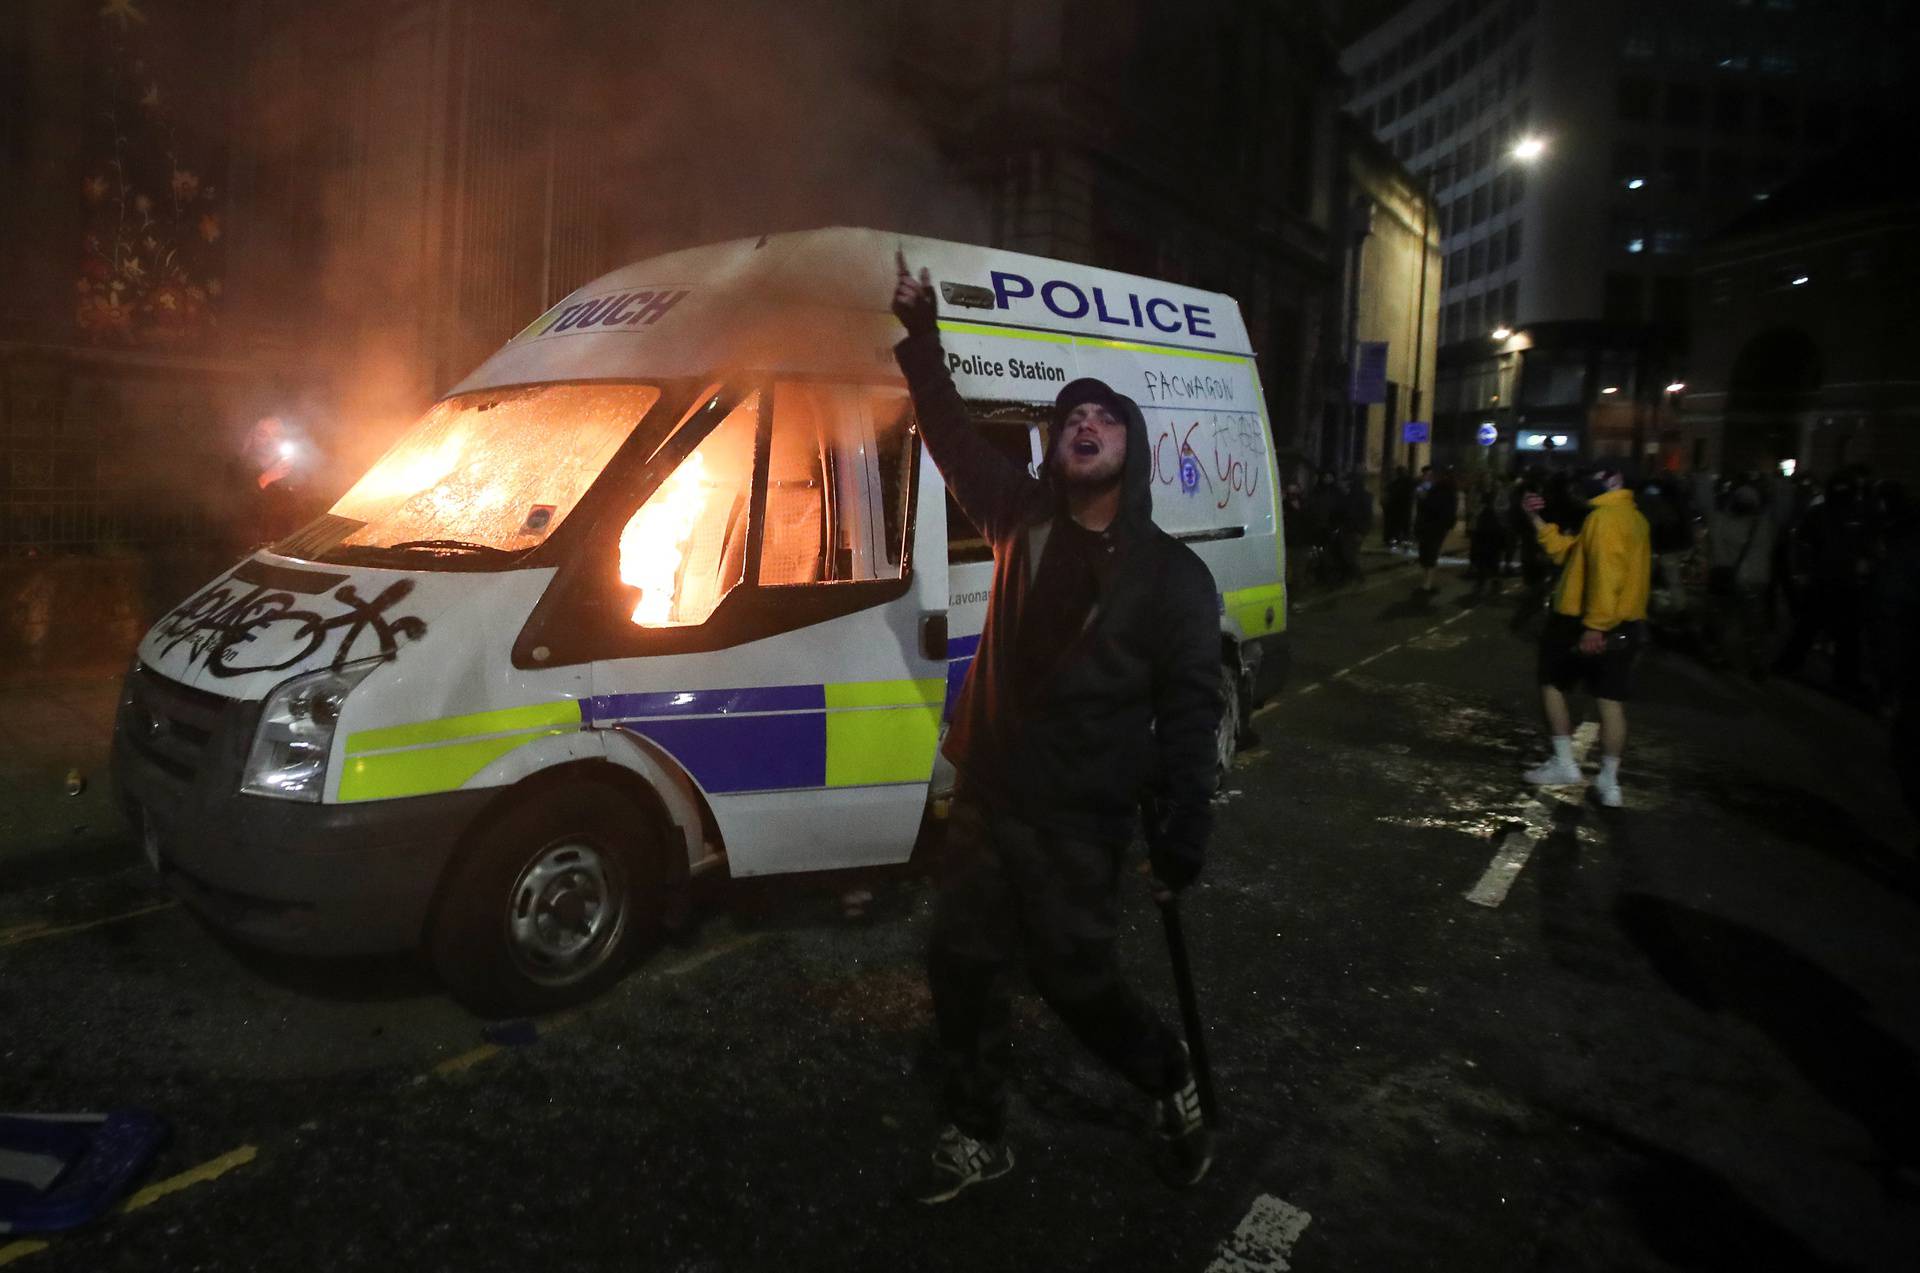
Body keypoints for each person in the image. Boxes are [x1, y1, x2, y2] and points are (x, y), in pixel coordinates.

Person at [891, 254, 1222, 1202]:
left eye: (1105, 417)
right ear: (1054, 447)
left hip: (1081, 820)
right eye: (1072, 416)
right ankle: (976, 1128)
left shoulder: (1171, 578)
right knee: (963, 965)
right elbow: (951, 434)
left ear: (1134, 449)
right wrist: (923, 338)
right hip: (991, 799)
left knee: (1077, 983)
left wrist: (1184, 829)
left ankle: (1166, 1074)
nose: (1084, 423)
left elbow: (1192, 712)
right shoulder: (1020, 517)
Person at [1520, 460, 1651, 807]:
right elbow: (1570, 554)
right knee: (1611, 702)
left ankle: (1564, 763)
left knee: (1552, 684)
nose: (1582, 487)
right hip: (1625, 624)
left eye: (1591, 479)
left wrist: (1595, 626)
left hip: (1582, 619)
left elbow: (1606, 576)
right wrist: (1536, 520)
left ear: (1614, 479)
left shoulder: (1603, 519)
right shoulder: (1633, 518)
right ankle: (1610, 784)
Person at [1705, 482, 1775, 678]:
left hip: (1730, 577)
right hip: (1756, 579)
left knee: (1723, 619)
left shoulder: (1724, 522)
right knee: (1753, 623)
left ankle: (1720, 656)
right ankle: (1756, 662)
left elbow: (1718, 543)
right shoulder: (1765, 524)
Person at [1413, 464, 1455, 592]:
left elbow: (1437, 508)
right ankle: (1426, 581)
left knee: (1430, 553)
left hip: (1435, 527)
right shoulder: (1425, 489)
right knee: (1425, 553)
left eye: (1431, 475)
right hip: (1426, 526)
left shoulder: (1441, 491)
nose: (1429, 478)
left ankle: (1428, 582)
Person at [1383, 465, 1413, 550]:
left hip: (1400, 510)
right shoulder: (1405, 482)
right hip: (1402, 511)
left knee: (1398, 530)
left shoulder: (1400, 483)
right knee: (1403, 530)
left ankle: (1397, 546)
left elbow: (1390, 492)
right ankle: (1403, 546)